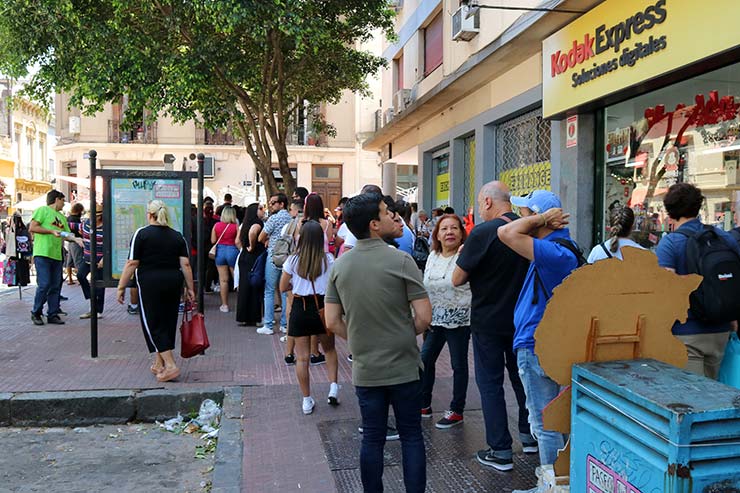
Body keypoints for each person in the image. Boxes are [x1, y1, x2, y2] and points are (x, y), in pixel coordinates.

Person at [325, 193, 432, 493]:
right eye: (386, 213)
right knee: (411, 436)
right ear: (374, 224)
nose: (393, 217)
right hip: (405, 366)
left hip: (366, 367)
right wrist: (398, 332)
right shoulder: (401, 260)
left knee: (372, 437)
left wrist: (360, 335)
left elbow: (332, 321)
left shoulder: (340, 266)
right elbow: (424, 317)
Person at [452, 181, 535, 471]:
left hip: (487, 320)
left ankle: (500, 450)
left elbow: (457, 279)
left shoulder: (483, 232)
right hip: (523, 319)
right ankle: (530, 436)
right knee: (522, 378)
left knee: (490, 384)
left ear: (487, 202)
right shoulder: (528, 228)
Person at [497, 190, 575, 492]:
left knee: (545, 425)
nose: (521, 218)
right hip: (547, 342)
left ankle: (552, 487)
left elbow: (506, 232)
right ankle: (556, 483)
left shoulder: (555, 251)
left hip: (536, 345)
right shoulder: (555, 248)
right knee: (553, 422)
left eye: (526, 212)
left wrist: (542, 218)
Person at [655, 183, 740, 379]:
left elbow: (664, 290)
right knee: (716, 394)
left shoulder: (671, 243)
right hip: (722, 331)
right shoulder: (724, 238)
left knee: (692, 398)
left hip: (686, 333)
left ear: (670, 211)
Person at [117, 200, 195, 383]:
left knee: (152, 322)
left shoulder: (141, 234)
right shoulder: (177, 236)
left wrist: (121, 287)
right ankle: (158, 363)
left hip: (150, 282)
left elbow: (132, 263)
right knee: (167, 321)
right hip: (173, 281)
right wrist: (190, 288)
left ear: (149, 214)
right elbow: (185, 264)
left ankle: (170, 365)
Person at [280, 220, 339, 413]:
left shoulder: (293, 260)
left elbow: (282, 287)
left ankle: (306, 400)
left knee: (302, 358)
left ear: (302, 238)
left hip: (300, 307)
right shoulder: (328, 259)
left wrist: (295, 286)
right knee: (329, 349)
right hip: (323, 307)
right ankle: (333, 388)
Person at [420, 214, 472, 429]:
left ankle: (456, 410)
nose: (449, 232)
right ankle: (423, 404)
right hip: (434, 319)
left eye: (454, 228)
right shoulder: (432, 255)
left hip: (460, 318)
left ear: (461, 233)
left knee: (458, 365)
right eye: (444, 229)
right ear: (437, 235)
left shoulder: (466, 255)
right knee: (424, 360)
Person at [29, 190, 80, 326]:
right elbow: (33, 227)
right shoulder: (43, 210)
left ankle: (52, 313)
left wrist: (77, 239)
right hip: (43, 253)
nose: (64, 204)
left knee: (55, 286)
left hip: (56, 255)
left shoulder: (62, 217)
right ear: (57, 199)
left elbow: (66, 234)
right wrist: (51, 231)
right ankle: (36, 312)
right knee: (44, 284)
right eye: (63, 200)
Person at [258, 193, 293, 335]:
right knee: (285, 291)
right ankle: (285, 324)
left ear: (281, 204)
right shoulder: (292, 219)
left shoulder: (273, 219)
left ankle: (268, 324)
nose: (270, 205)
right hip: (288, 257)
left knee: (269, 290)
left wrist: (267, 240)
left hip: (273, 256)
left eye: (273, 203)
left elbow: (261, 236)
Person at [235, 203, 265, 326]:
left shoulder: (244, 224)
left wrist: (244, 248)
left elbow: (237, 240)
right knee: (256, 285)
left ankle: (243, 316)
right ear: (255, 211)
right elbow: (253, 232)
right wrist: (252, 246)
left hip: (244, 257)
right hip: (255, 257)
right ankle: (255, 317)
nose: (263, 211)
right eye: (261, 208)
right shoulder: (258, 223)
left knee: (244, 286)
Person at [78, 205, 105, 319]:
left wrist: (104, 259)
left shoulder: (106, 227)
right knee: (80, 275)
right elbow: (77, 229)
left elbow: (109, 244)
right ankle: (91, 299)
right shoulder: (86, 224)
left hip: (99, 261)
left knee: (99, 285)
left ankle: (97, 310)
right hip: (87, 258)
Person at [212, 206, 239, 313]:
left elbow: (213, 240)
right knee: (237, 279)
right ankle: (241, 303)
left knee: (223, 280)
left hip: (220, 252)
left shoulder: (216, 225)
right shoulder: (236, 226)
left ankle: (225, 305)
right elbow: (238, 241)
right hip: (233, 251)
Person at [65, 202, 85, 285]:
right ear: (79, 211)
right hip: (76, 241)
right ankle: (81, 279)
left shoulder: (68, 218)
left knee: (69, 261)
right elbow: (80, 231)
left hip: (69, 242)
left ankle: (70, 279)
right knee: (78, 260)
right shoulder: (76, 219)